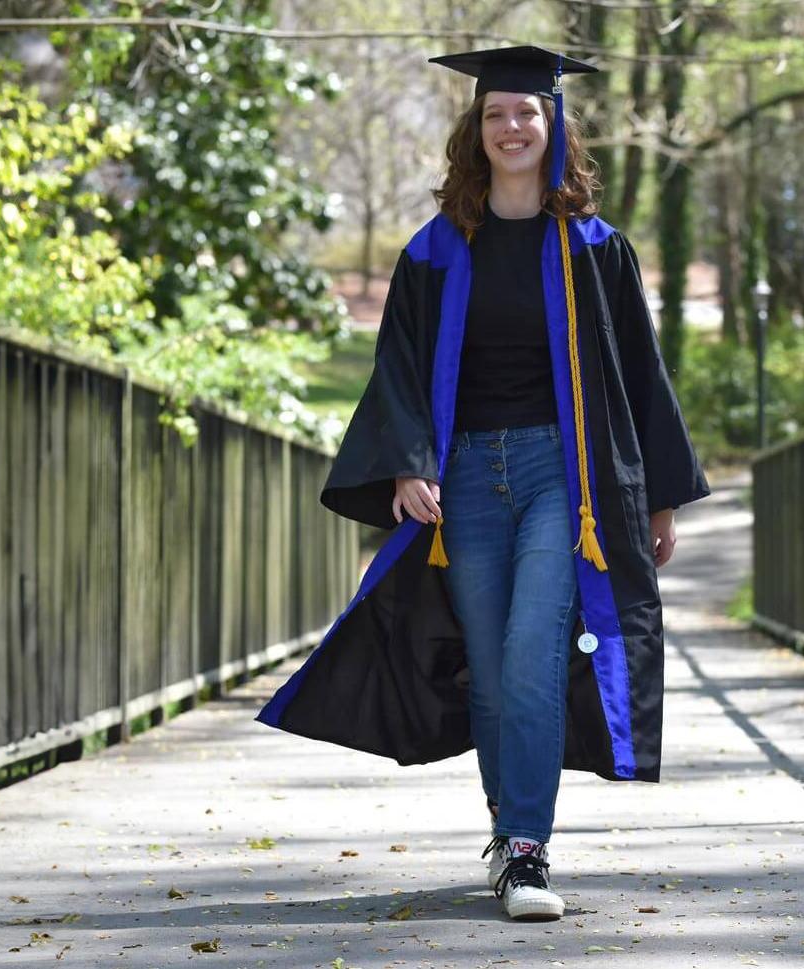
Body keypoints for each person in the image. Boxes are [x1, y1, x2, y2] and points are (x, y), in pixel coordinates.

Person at [255, 45, 710, 923]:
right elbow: (399, 367)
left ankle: (530, 848)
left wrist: (655, 494)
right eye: (497, 114)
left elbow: (639, 376)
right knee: (494, 673)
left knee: (534, 653)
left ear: (553, 125)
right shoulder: (433, 253)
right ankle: (509, 837)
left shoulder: (595, 250)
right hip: (463, 477)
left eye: (527, 114)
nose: (512, 128)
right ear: (478, 129)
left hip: (561, 479)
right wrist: (406, 460)